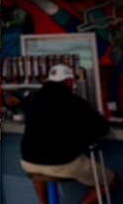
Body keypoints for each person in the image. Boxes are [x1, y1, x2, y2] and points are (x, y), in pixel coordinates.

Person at [20, 64, 119, 204]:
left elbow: (21, 105)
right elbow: (102, 127)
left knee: (38, 169)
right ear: (68, 81)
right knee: (110, 179)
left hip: (28, 161)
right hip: (62, 163)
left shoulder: (33, 98)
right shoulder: (74, 101)